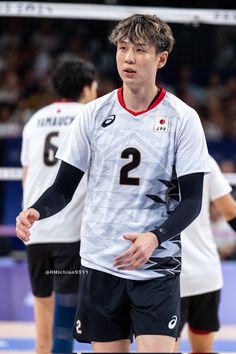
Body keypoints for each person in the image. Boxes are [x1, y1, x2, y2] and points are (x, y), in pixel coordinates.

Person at [16, 14, 210, 353]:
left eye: (139, 49)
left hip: (155, 266)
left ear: (161, 58)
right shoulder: (91, 115)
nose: (128, 58)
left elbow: (192, 201)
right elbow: (62, 189)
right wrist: (35, 210)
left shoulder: (183, 118)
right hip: (100, 263)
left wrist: (155, 237)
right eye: (122, 48)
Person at [20, 58, 97, 354]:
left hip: (35, 231)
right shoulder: (91, 115)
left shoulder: (35, 119)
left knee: (44, 333)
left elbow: (28, 178)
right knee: (65, 331)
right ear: (87, 87)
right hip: (70, 234)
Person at [175, 155, 236, 353]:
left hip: (167, 276)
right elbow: (230, 211)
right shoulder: (204, 160)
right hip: (204, 274)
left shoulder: (152, 156)